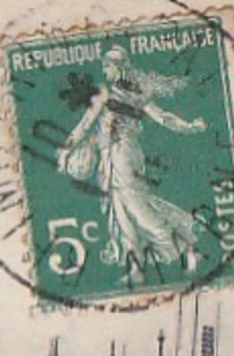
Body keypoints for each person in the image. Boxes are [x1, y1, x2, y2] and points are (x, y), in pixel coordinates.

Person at [57, 45, 209, 276]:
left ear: (116, 67)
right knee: (120, 213)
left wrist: (66, 151)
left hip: (123, 157)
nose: (104, 71)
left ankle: (184, 249)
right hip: (111, 159)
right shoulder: (129, 93)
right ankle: (136, 267)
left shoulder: (114, 93)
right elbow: (164, 118)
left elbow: (85, 125)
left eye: (107, 66)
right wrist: (190, 127)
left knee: (137, 209)